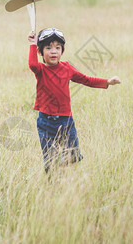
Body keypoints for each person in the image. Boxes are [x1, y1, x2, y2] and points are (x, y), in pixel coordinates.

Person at [27, 28, 121, 173]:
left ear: (62, 51)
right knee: (50, 161)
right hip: (45, 122)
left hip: (66, 121)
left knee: (74, 155)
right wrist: (33, 44)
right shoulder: (41, 70)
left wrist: (107, 81)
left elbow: (86, 79)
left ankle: (58, 167)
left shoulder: (67, 68)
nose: (53, 51)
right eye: (48, 48)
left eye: (57, 48)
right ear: (40, 52)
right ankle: (53, 183)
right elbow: (32, 64)